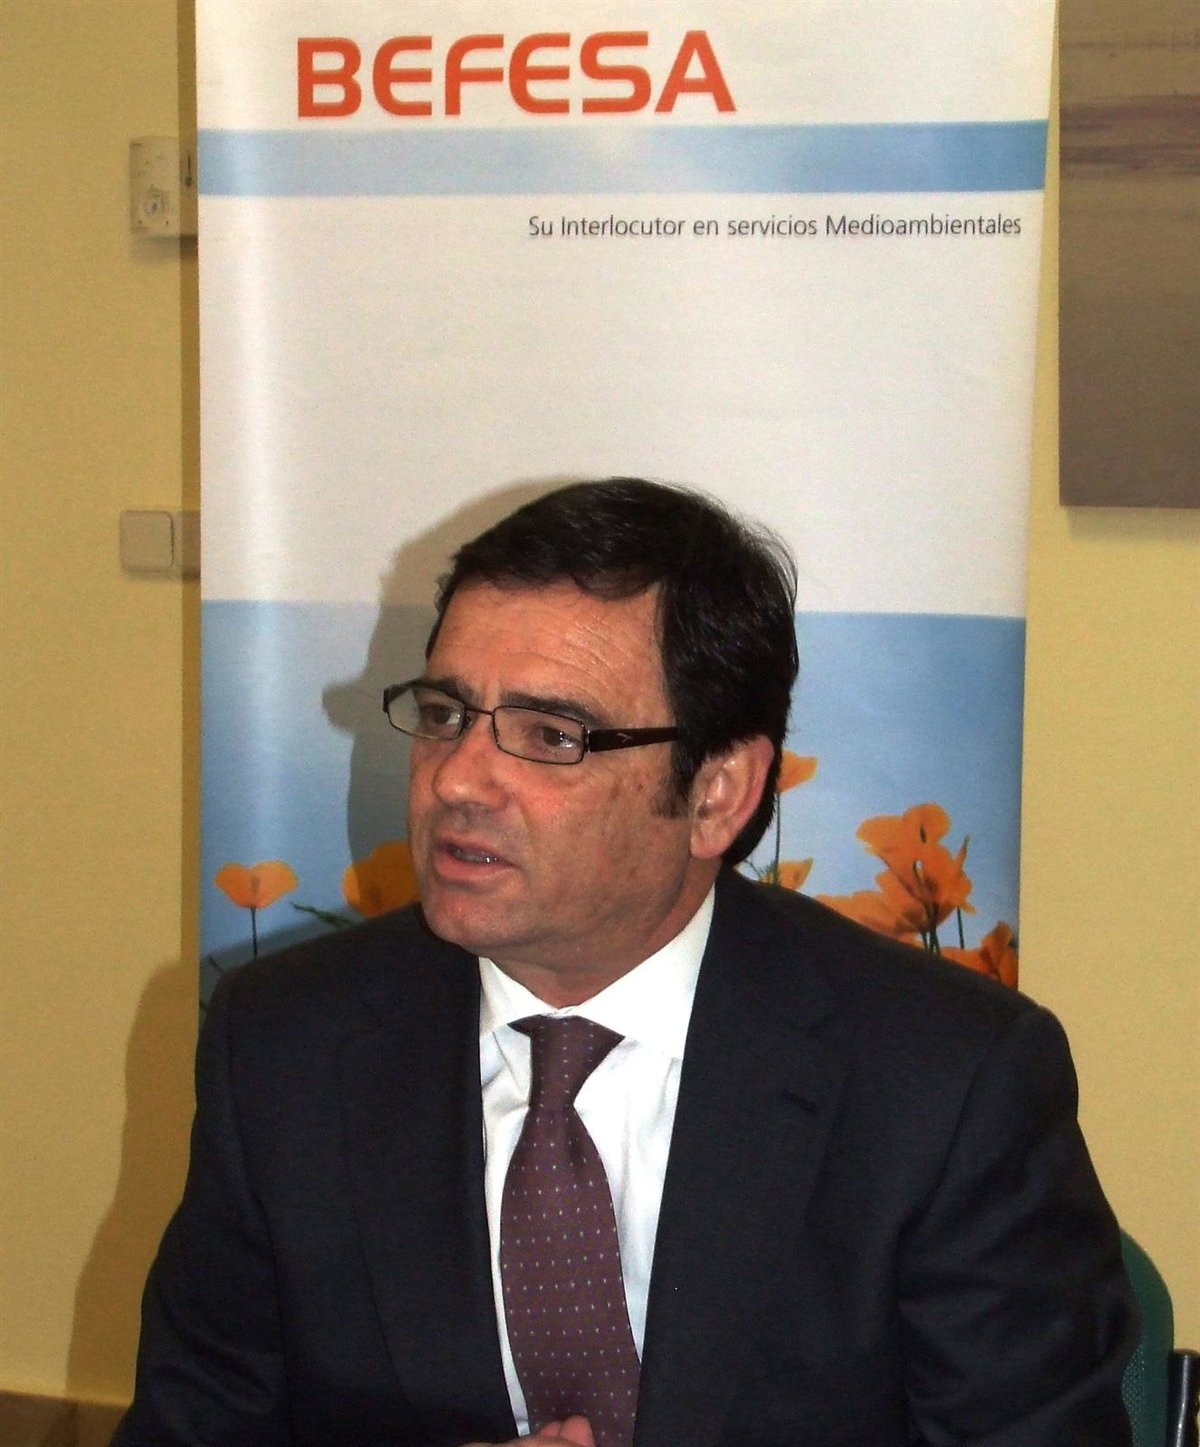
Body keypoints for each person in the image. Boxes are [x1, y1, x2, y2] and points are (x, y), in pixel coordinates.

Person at [115, 478, 1135, 1447]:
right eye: (444, 714)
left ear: (717, 793)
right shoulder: (285, 1046)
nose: (459, 778)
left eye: (550, 734)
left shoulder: (944, 1085)